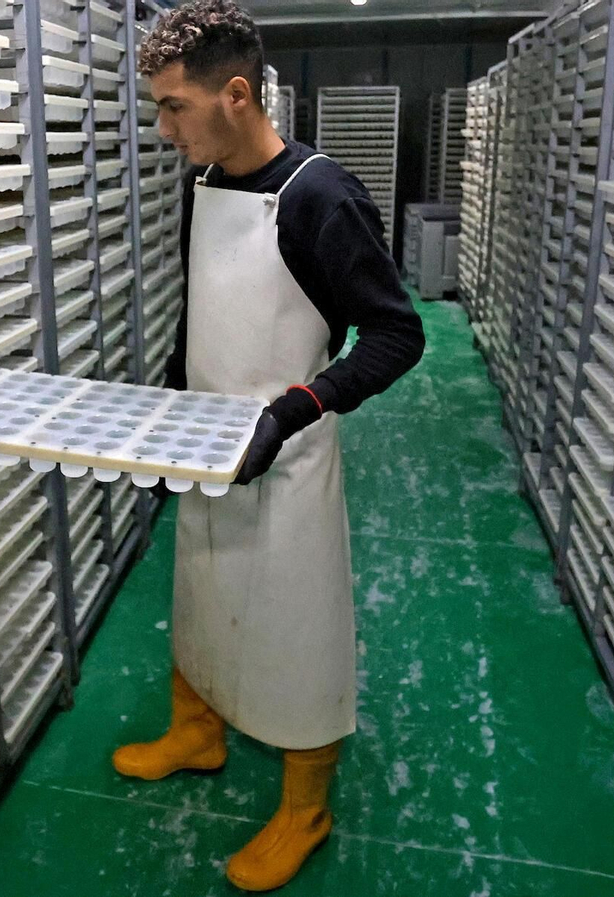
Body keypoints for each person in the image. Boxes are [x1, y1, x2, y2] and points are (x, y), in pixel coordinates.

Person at [113, 1, 426, 891]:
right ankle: (199, 731)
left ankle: (305, 807)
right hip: (211, 445)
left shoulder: (320, 197)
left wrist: (290, 413)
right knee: (202, 589)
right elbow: (202, 306)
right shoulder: (205, 183)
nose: (164, 129)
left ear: (237, 95)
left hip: (285, 458)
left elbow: (397, 336)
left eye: (174, 107)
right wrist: (172, 407)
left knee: (297, 632)